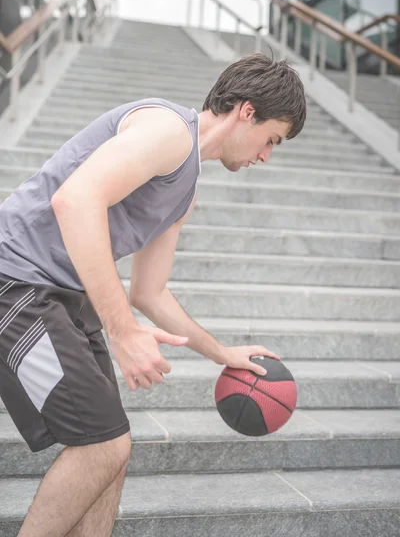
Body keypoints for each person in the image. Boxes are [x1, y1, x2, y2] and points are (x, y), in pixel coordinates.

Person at [0, 52, 306, 536]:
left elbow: (150, 292)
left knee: (110, 454)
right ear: (247, 110)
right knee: (104, 446)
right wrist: (121, 331)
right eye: (271, 139)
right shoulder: (168, 130)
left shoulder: (185, 190)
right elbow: (75, 200)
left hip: (63, 293)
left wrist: (222, 353)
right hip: (15, 280)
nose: (266, 155)